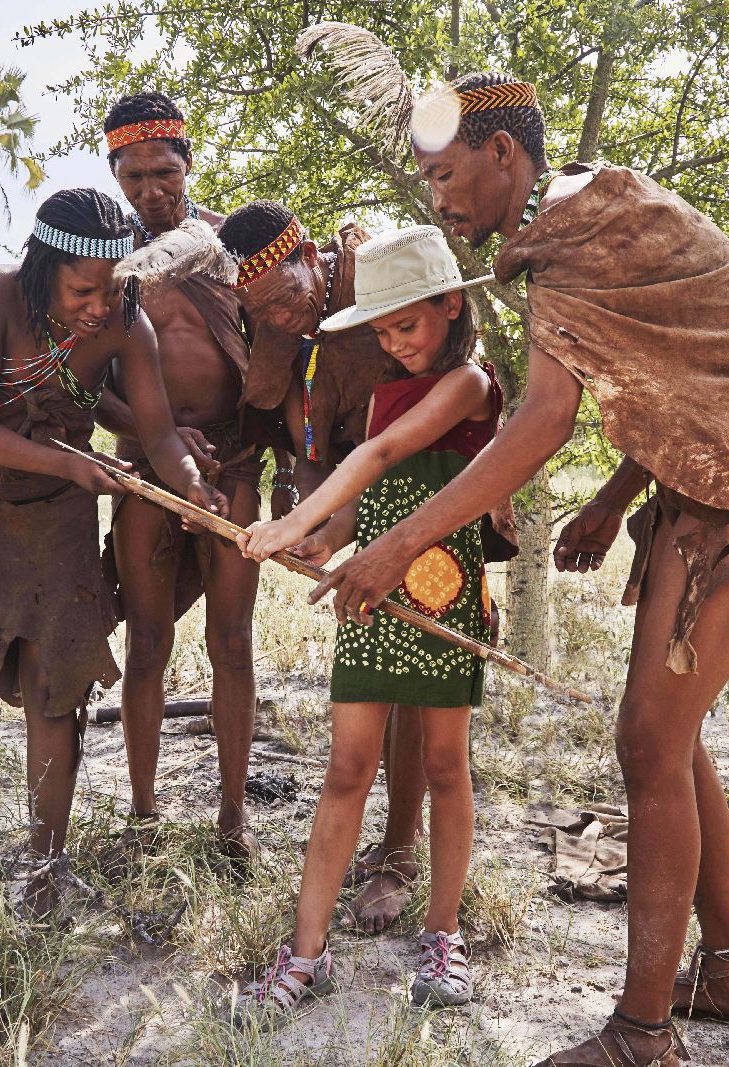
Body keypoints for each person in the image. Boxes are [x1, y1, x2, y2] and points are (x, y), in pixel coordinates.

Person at [311, 72, 729, 1066]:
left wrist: (394, 545)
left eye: (445, 177)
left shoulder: (575, 223)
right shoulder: (566, 228)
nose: (438, 202)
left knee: (649, 740)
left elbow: (542, 420)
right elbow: (682, 359)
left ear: (500, 156)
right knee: (668, 734)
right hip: (712, 475)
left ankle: (641, 1033)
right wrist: (616, 499)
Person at [0, 188, 226, 914]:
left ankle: (47, 865)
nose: (102, 306)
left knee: (57, 684)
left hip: (59, 522)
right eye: (85, 289)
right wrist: (75, 464)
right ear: (44, 270)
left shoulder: (126, 324)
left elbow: (162, 435)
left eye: (114, 289)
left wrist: (195, 487)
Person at [229, 225, 500, 1026]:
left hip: (443, 593)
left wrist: (292, 518)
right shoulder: (386, 389)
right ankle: (304, 954)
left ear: (452, 307)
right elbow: (365, 498)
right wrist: (319, 534)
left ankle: (443, 934)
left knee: (448, 766)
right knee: (348, 767)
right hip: (372, 603)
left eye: (407, 326)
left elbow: (382, 456)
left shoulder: (470, 385)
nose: (395, 344)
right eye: (381, 331)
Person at [218, 201, 428, 931]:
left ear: (310, 253)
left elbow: (419, 428)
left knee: (413, 684)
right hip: (352, 510)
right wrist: (315, 528)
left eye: (282, 298)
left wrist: (359, 525)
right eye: (258, 311)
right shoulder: (282, 325)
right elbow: (311, 444)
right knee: (375, 676)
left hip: (428, 503)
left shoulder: (382, 285)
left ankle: (402, 848)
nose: (275, 319)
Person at [91, 92, 273, 862]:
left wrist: (260, 458)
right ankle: (141, 813)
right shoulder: (106, 264)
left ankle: (232, 818)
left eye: (163, 171)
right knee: (148, 642)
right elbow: (89, 387)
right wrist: (152, 435)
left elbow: (276, 358)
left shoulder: (233, 249)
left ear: (188, 161)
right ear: (113, 173)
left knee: (232, 641)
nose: (150, 190)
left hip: (229, 467)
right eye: (133, 178)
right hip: (144, 477)